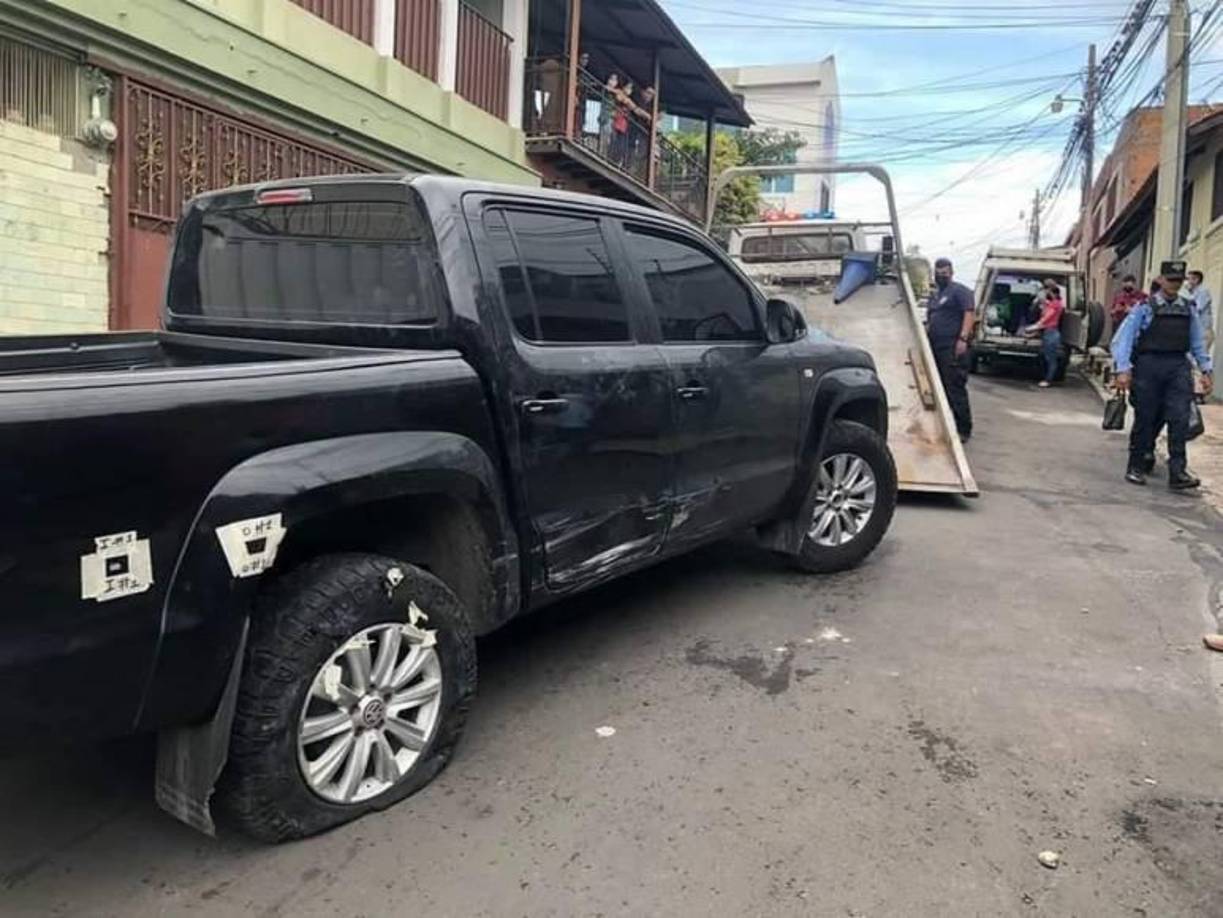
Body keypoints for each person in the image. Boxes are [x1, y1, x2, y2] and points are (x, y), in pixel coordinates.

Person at [1112, 260, 1214, 489]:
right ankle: (1136, 466)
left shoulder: (1188, 308)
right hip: (1149, 365)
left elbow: (1197, 342)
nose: (1174, 284)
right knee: (1146, 417)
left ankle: (1177, 472)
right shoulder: (1145, 307)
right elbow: (1124, 339)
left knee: (1179, 418)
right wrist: (1123, 369)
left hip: (1178, 366)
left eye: (1178, 281)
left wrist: (1206, 370)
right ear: (1161, 280)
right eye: (1170, 280)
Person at [927, 257, 975, 440]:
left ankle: (963, 429)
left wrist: (963, 338)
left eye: (944, 273)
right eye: (938, 273)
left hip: (952, 346)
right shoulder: (936, 295)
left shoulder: (960, 291)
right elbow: (931, 319)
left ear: (952, 273)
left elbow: (969, 313)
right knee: (940, 387)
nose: (941, 276)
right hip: (936, 346)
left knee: (954, 387)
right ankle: (948, 425)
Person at [1026, 278, 1065, 388]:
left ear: (1051, 291)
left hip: (1051, 333)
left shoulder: (1055, 305)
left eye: (1047, 290)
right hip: (1049, 332)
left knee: (1050, 359)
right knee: (1047, 357)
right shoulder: (1054, 303)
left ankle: (1048, 380)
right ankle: (1046, 378)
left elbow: (1047, 318)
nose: (1046, 293)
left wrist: (1035, 326)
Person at [1185, 269, 1214, 351]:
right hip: (1196, 331)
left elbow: (1197, 309)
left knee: (1200, 356)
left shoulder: (1203, 292)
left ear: (1196, 280)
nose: (1187, 282)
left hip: (1203, 331)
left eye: (1189, 279)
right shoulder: (1194, 292)